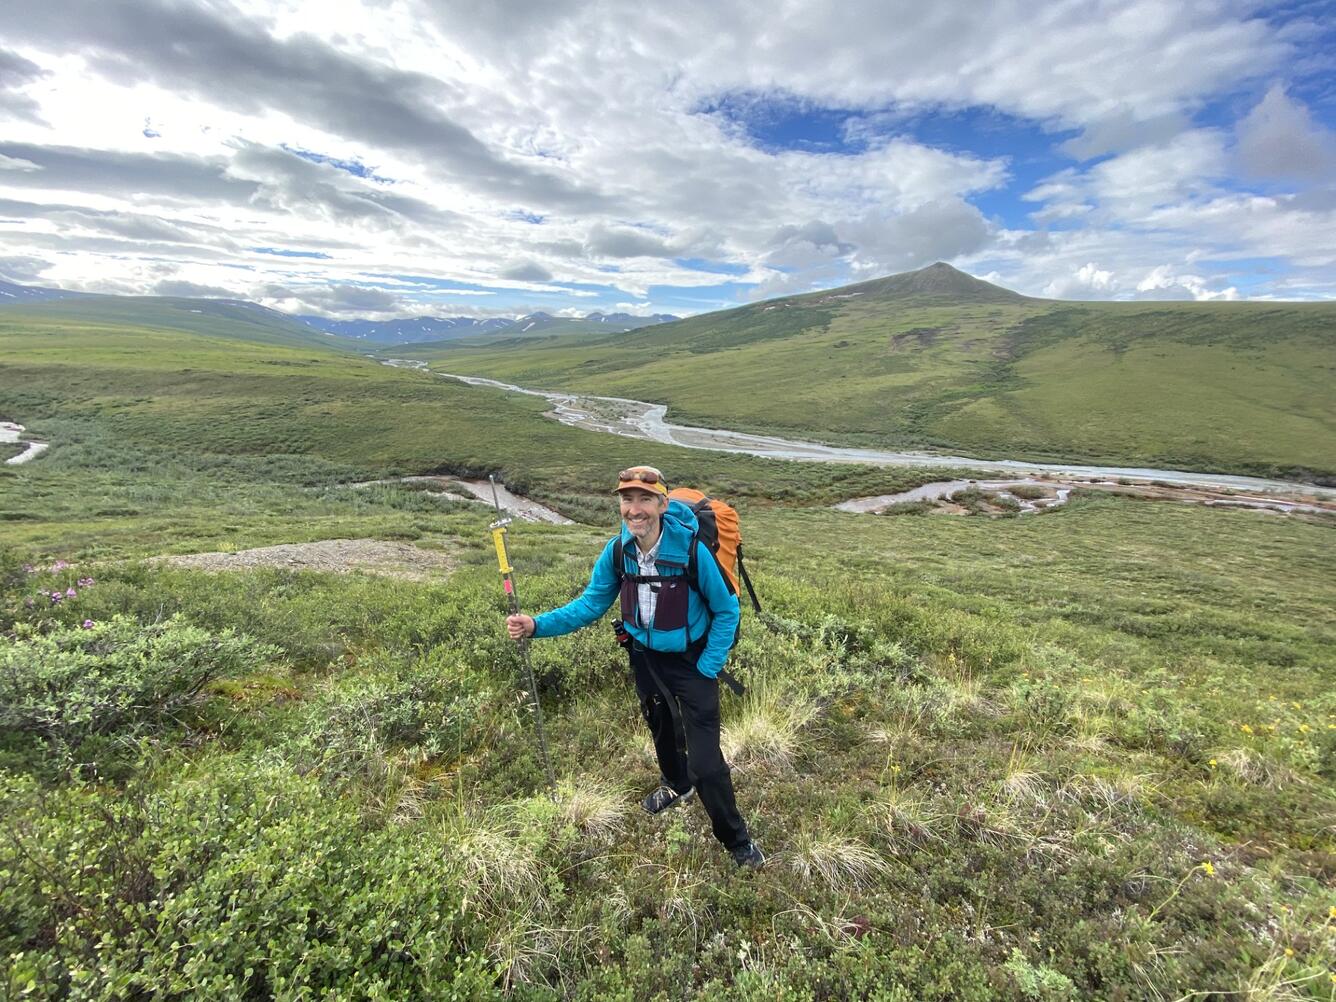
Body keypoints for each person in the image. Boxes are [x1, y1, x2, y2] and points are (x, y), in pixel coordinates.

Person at [507, 465, 764, 869]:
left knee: (706, 763)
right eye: (627, 499)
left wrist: (708, 666)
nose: (635, 508)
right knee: (660, 725)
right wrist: (536, 625)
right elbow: (590, 605)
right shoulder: (617, 551)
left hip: (693, 661)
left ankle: (737, 842)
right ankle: (675, 785)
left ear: (662, 503)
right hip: (644, 657)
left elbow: (727, 609)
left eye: (645, 499)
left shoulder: (692, 550)